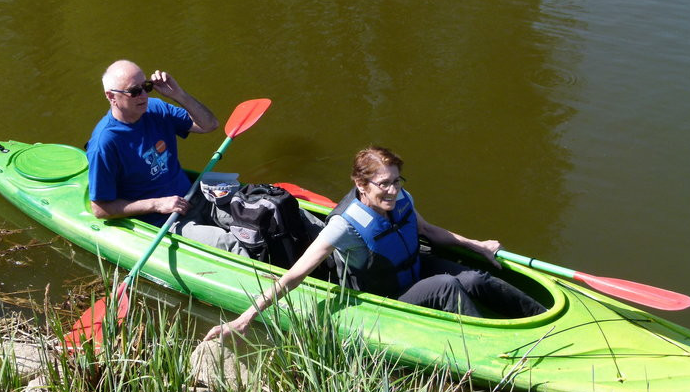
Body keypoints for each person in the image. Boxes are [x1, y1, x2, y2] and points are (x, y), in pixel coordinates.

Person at [204, 146, 546, 340]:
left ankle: (540, 317)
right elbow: (294, 275)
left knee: (473, 277)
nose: (393, 191)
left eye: (397, 182)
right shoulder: (342, 226)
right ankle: (488, 345)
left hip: (412, 269)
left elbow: (429, 231)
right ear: (361, 184)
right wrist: (245, 318)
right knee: (447, 285)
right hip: (385, 294)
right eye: (384, 184)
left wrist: (476, 245)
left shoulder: (400, 199)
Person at [86, 60, 247, 255]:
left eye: (146, 87)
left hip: (193, 196)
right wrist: (157, 204)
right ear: (111, 96)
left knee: (253, 217)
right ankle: (275, 283)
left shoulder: (155, 108)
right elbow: (100, 209)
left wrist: (178, 94)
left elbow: (209, 125)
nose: (144, 95)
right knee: (228, 244)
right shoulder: (105, 144)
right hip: (163, 221)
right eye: (135, 91)